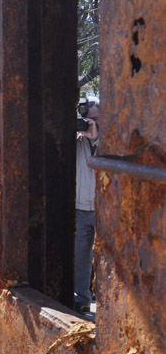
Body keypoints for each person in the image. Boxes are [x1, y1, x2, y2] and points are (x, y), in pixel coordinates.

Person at [75, 98, 100, 314]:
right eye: (85, 119)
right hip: (81, 207)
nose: (88, 124)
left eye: (93, 119)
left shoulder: (109, 139)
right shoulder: (77, 139)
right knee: (82, 254)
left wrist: (95, 138)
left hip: (103, 210)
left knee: (105, 257)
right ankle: (82, 298)